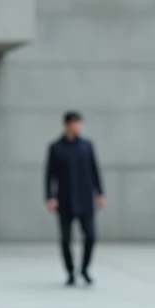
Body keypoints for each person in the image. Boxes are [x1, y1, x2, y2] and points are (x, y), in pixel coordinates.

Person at [45, 111, 106, 286]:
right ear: (66, 125)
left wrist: (100, 193)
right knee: (65, 239)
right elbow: (49, 175)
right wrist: (50, 197)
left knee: (90, 236)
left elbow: (95, 170)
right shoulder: (56, 147)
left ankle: (85, 269)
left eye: (79, 123)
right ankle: (70, 272)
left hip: (85, 198)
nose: (78, 127)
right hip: (65, 199)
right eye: (74, 124)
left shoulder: (87, 146)